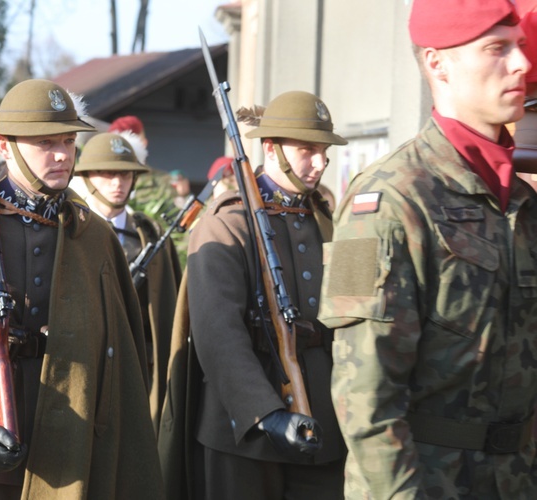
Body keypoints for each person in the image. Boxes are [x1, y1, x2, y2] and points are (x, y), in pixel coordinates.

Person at [0, 79, 163, 499]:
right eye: (44, 142)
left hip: (71, 449)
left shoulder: (92, 234)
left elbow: (124, 351)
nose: (61, 154)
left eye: (68, 141)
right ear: (4, 145)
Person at [318, 1, 537, 498]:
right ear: (438, 63)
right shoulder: (388, 199)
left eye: (519, 46)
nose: (521, 64)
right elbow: (365, 398)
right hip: (425, 482)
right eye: (496, 49)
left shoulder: (521, 201)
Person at [159, 90, 347, 500]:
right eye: (307, 150)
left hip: (324, 427)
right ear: (271, 148)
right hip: (243, 430)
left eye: (324, 151)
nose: (319, 163)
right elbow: (217, 333)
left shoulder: (325, 219)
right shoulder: (227, 223)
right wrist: (265, 413)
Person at [72, 132, 181, 433]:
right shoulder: (68, 232)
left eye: (124, 174)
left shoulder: (151, 234)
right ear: (88, 177)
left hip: (141, 369)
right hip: (87, 371)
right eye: (107, 174)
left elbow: (169, 308)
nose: (117, 183)